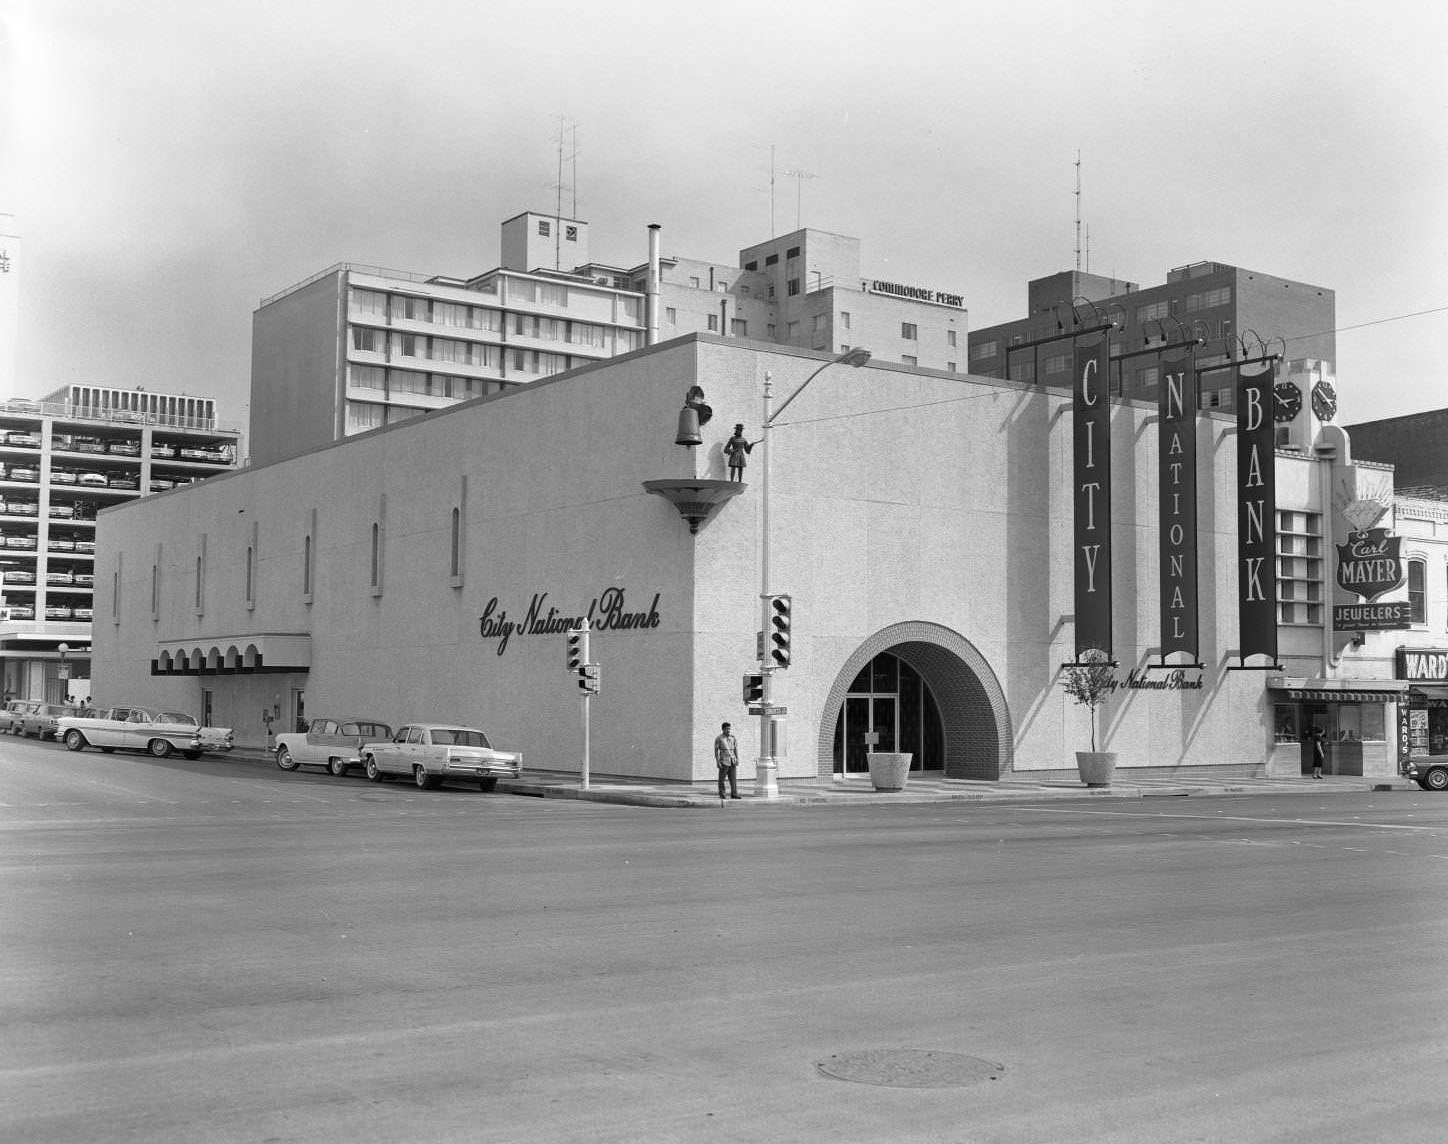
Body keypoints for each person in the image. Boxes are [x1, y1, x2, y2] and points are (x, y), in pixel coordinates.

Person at [714, 721, 741, 800]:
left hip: (732, 760)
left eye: (729, 729)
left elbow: (735, 748)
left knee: (733, 778)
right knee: (722, 779)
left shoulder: (733, 737)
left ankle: (734, 793)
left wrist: (737, 758)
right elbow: (716, 751)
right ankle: (722, 793)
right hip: (724, 760)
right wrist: (717, 761)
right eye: (726, 729)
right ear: (723, 729)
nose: (728, 730)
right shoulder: (719, 738)